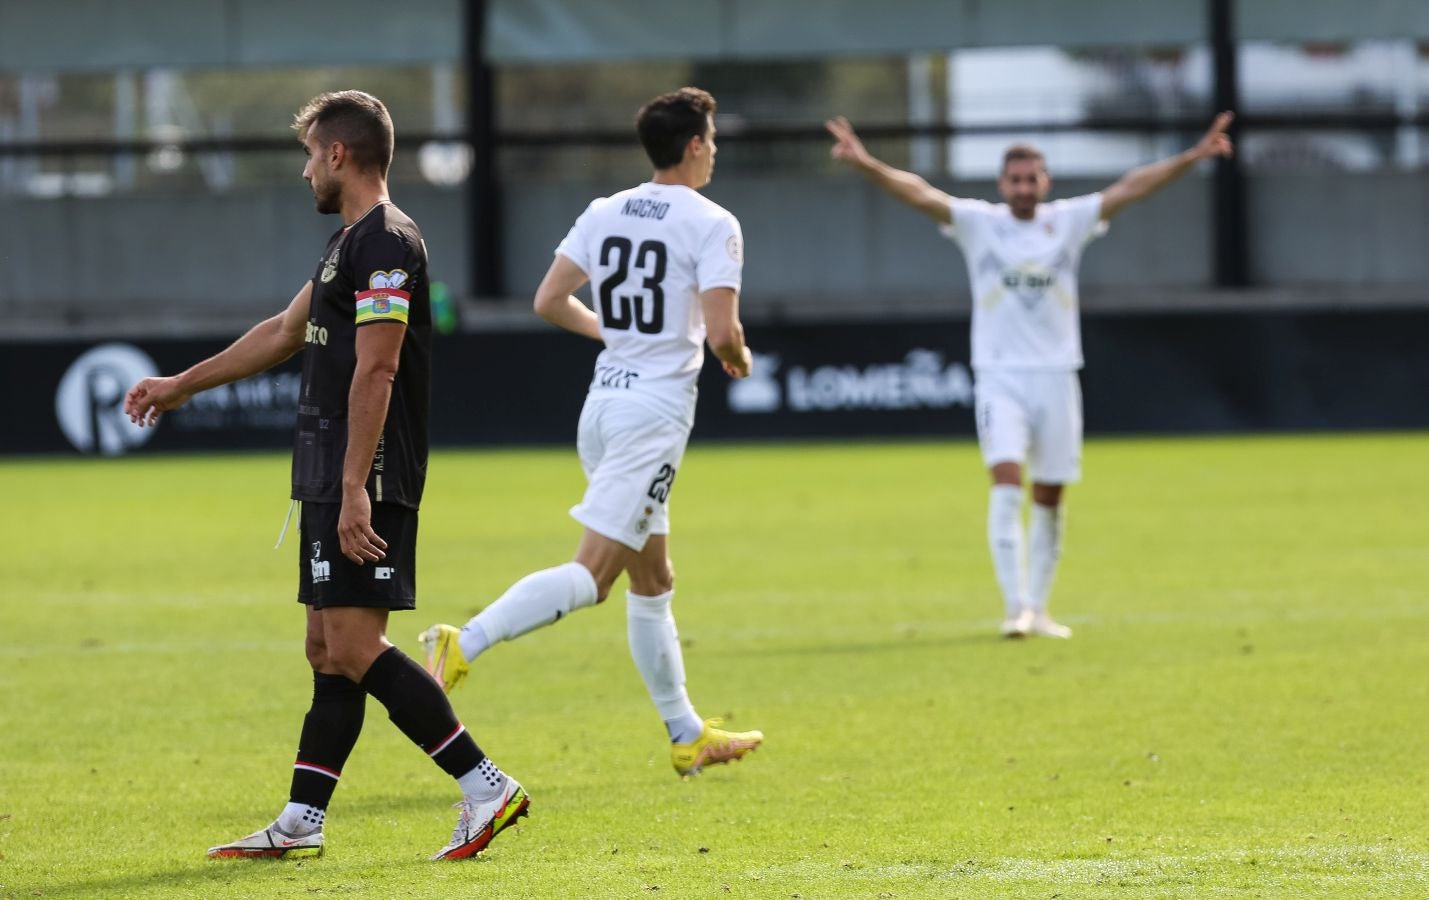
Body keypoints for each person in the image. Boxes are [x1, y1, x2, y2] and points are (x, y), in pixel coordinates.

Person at [123, 91, 528, 861]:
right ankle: (302, 820)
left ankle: (485, 785)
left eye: (311, 153)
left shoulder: (386, 243)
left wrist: (353, 489)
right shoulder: (348, 243)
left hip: (364, 470)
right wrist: (179, 386)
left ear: (338, 154)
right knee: (325, 645)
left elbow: (376, 373)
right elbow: (282, 334)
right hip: (329, 469)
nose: (307, 168)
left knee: (353, 642)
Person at [419, 87, 763, 777]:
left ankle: (685, 733)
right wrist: (738, 358)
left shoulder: (606, 210)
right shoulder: (712, 221)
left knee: (654, 576)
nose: (715, 150)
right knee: (593, 576)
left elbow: (549, 299)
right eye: (713, 139)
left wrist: (611, 331)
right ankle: (461, 644)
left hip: (602, 406)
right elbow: (723, 333)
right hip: (652, 418)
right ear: (694, 144)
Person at [825, 112, 1235, 639]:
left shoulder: (1068, 220)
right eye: (1015, 179)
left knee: (1050, 496)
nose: (1023, 187)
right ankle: (1014, 607)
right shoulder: (979, 223)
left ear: (1045, 182)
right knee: (1006, 484)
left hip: (1058, 375)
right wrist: (866, 164)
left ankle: (1039, 609)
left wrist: (1192, 158)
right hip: (999, 376)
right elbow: (919, 193)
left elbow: (1131, 188)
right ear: (1002, 185)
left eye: (1031, 178)